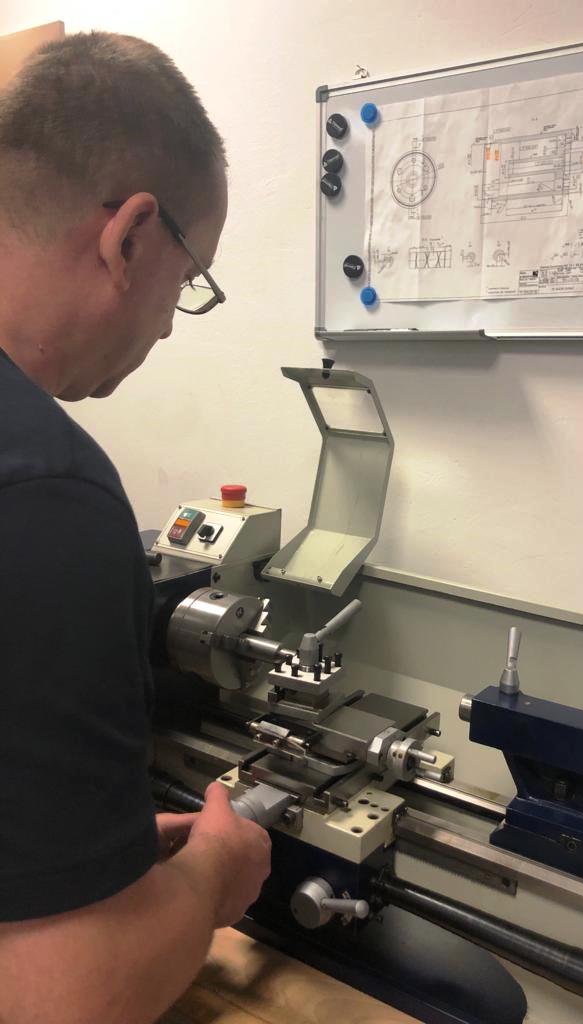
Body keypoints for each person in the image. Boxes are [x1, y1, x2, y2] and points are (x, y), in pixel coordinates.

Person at [0, 31, 271, 1024]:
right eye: (189, 282)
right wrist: (211, 875)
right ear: (131, 236)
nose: (165, 324)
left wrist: (76, 854)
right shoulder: (47, 490)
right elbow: (66, 998)